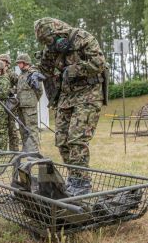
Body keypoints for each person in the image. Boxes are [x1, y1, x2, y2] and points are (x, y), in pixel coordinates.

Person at [33, 17, 107, 196]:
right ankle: (74, 178)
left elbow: (99, 64)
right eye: (44, 42)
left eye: (49, 41)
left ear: (59, 34)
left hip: (88, 94)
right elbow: (43, 68)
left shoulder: (82, 38)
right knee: (62, 140)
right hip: (66, 97)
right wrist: (35, 74)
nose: (48, 46)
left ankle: (82, 183)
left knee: (77, 139)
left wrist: (73, 70)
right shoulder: (50, 49)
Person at [15, 54, 42, 153]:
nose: (18, 65)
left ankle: (34, 151)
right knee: (22, 129)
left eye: (19, 63)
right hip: (21, 106)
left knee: (32, 128)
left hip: (30, 106)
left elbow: (39, 90)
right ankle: (26, 149)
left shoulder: (33, 73)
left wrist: (33, 101)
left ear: (25, 62)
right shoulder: (21, 75)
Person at [0, 54, 20, 151]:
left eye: (3, 61)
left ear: (7, 63)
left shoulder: (12, 74)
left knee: (11, 126)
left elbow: (19, 87)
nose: (1, 62)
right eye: (0, 61)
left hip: (10, 102)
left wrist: (10, 90)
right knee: (1, 127)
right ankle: (1, 149)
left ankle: (14, 149)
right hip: (0, 103)